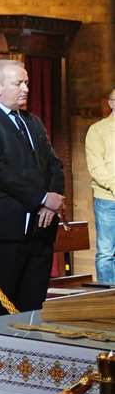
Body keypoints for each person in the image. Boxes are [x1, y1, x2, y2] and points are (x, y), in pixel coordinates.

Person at [0, 58, 64, 315]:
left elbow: (54, 164)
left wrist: (53, 200)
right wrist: (42, 197)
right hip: (5, 233)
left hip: (40, 233)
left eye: (27, 82)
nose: (26, 88)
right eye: (18, 83)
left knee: (33, 308)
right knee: (0, 308)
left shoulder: (33, 121)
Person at [86, 86, 115, 286]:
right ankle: (107, 300)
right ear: (111, 103)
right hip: (107, 200)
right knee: (106, 252)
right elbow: (96, 166)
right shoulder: (97, 130)